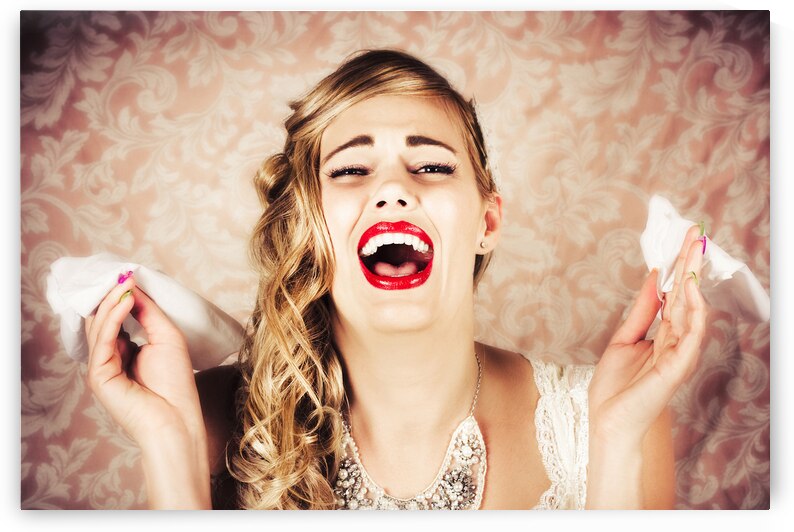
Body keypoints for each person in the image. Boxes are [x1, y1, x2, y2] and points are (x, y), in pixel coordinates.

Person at [83, 49, 706, 510]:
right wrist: (171, 446)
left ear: (487, 221)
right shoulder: (212, 421)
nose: (392, 189)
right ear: (307, 223)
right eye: (351, 169)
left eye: (431, 164)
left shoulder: (614, 418)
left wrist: (618, 442)